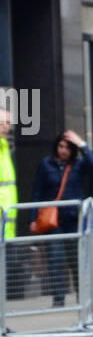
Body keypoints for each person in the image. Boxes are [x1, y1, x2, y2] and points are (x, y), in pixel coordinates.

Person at [30, 130, 93, 306]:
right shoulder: (46, 164)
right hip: (53, 220)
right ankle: (58, 299)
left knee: (76, 259)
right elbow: (37, 192)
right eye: (61, 146)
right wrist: (33, 218)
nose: (63, 150)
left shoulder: (79, 164)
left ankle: (80, 298)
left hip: (73, 218)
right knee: (56, 259)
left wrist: (82, 144)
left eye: (68, 147)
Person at [0, 97, 16, 241]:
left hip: (7, 216)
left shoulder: (5, 146)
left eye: (8, 123)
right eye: (2, 123)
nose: (5, 126)